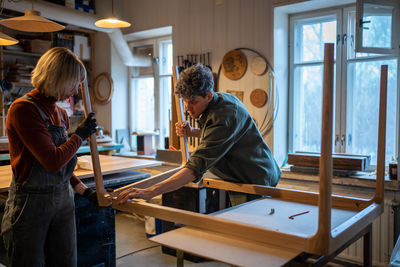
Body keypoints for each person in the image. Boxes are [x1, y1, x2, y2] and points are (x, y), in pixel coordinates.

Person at [117, 63, 281, 205]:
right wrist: (192, 132)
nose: (188, 108)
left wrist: (150, 191)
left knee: (249, 231)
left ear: (208, 96)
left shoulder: (224, 116)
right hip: (242, 174)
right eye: (185, 101)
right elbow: (222, 136)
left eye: (193, 102)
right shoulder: (219, 101)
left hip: (255, 177)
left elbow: (196, 167)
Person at [1, 47, 98, 267]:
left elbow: (63, 167)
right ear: (58, 78)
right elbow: (51, 161)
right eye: (74, 84)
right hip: (31, 204)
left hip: (63, 200)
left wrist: (83, 189)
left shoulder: (60, 113)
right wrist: (79, 136)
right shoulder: (23, 109)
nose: (75, 92)